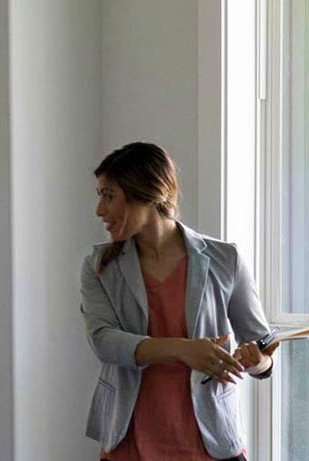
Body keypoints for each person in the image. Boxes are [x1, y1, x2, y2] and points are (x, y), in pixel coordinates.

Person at [80, 142, 278, 461]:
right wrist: (184, 349)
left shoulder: (225, 259)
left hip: (211, 442)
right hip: (130, 443)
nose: (100, 210)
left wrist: (257, 361)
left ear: (148, 193)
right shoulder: (99, 266)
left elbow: (263, 351)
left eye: (109, 195)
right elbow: (104, 342)